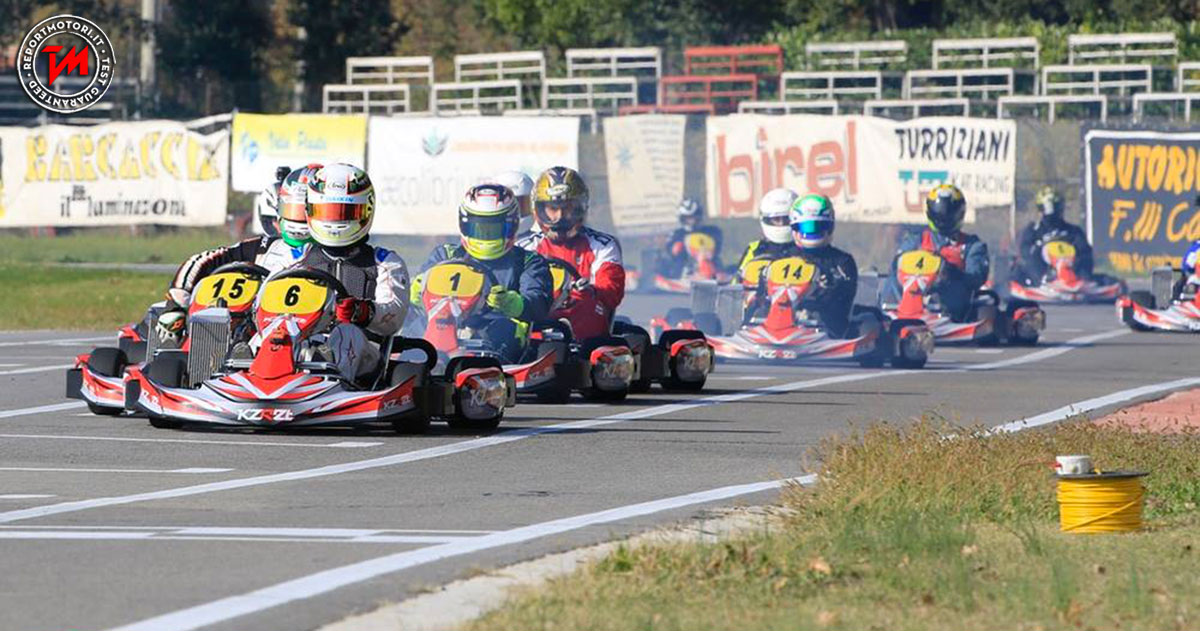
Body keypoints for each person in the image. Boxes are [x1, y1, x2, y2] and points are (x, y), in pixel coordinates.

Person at [156, 164, 318, 344]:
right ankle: (193, 351)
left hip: (308, 336)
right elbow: (201, 261)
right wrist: (177, 304)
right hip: (253, 333)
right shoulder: (264, 247)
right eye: (291, 209)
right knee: (209, 316)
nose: (296, 218)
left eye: (303, 211)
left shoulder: (334, 258)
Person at [288, 163, 410, 382]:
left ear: (366, 211)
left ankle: (330, 383)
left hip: (364, 353)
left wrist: (362, 312)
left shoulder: (384, 262)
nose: (334, 222)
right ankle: (248, 376)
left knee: (345, 333)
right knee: (275, 334)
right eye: (326, 212)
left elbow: (394, 317)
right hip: (303, 346)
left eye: (344, 213)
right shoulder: (297, 257)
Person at [414, 183, 553, 363]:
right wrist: (416, 291)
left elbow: (539, 301)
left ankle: (488, 368)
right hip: (444, 323)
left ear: (511, 225)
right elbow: (417, 295)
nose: (486, 235)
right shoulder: (445, 255)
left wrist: (516, 304)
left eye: (493, 229)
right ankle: (409, 364)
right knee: (415, 326)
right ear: (465, 225)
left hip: (498, 331)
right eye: (479, 228)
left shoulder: (527, 261)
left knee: (504, 328)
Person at [516, 166, 624, 341]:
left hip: (585, 336)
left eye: (567, 208)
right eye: (553, 208)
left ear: (580, 208)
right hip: (534, 333)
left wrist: (588, 291)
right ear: (540, 210)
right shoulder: (526, 247)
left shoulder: (603, 245)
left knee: (585, 303)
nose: (560, 217)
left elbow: (611, 292)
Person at [749, 193, 857, 336]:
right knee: (758, 310)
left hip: (824, 325)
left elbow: (844, 298)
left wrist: (827, 286)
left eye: (817, 227)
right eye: (806, 227)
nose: (811, 232)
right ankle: (753, 329)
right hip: (781, 316)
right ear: (795, 229)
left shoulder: (841, 261)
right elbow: (765, 292)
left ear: (829, 227)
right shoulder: (784, 257)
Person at [887, 184, 989, 322]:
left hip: (950, 310)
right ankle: (895, 310)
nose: (943, 219)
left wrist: (949, 271)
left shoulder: (971, 245)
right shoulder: (917, 240)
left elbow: (975, 278)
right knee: (896, 268)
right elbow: (897, 265)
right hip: (910, 302)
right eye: (939, 215)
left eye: (947, 215)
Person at [1016, 186, 1094, 284]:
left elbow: (1084, 251)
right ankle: (1043, 280)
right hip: (1043, 272)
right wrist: (1039, 247)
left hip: (1071, 269)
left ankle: (1079, 279)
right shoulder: (1033, 231)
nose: (1051, 212)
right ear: (1040, 210)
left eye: (1055, 207)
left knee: (1084, 257)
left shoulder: (1073, 231)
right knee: (1028, 259)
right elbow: (1025, 251)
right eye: (1047, 208)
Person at [733, 188, 799, 284]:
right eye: (776, 219)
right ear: (766, 219)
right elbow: (737, 284)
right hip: (762, 293)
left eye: (786, 219)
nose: (781, 224)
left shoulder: (806, 247)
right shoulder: (756, 249)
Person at [660, 197, 724, 278]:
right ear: (682, 219)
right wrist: (678, 247)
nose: (691, 221)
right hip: (683, 268)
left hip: (710, 265)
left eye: (694, 217)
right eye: (688, 218)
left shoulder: (711, 231)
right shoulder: (677, 234)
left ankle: (712, 275)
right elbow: (670, 250)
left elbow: (717, 245)